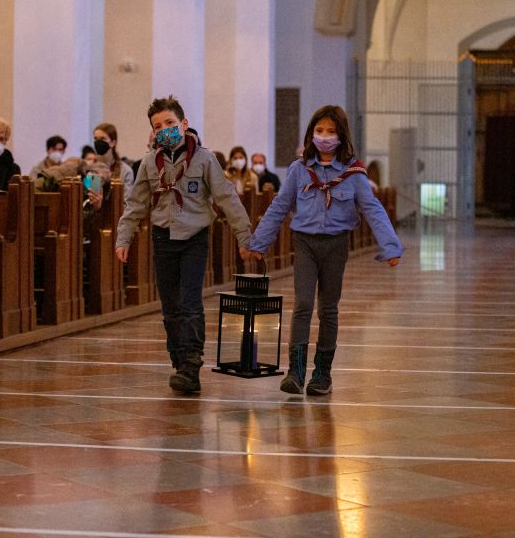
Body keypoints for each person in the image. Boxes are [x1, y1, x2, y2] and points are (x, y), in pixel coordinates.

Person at [246, 105, 403, 396]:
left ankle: (322, 374)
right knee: (303, 303)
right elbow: (279, 206)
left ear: (341, 136)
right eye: (319, 131)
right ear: (311, 134)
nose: (324, 137)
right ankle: (295, 372)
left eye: (331, 132)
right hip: (304, 243)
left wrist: (391, 245)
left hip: (335, 245)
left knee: (328, 309)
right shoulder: (299, 170)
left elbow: (372, 209)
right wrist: (259, 243)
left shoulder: (354, 174)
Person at [115, 96, 252, 394]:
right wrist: (123, 237)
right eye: (158, 126)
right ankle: (178, 361)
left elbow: (226, 197)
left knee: (190, 303)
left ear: (184, 124)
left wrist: (245, 236)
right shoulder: (150, 162)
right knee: (170, 307)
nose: (165, 130)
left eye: (170, 123)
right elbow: (136, 203)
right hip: (163, 238)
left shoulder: (204, 159)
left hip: (194, 238)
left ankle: (192, 365)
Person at [92, 123, 134, 189]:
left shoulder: (125, 171)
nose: (98, 142)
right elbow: (91, 194)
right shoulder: (91, 168)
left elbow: (126, 198)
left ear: (113, 143)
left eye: (103, 138)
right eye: (95, 139)